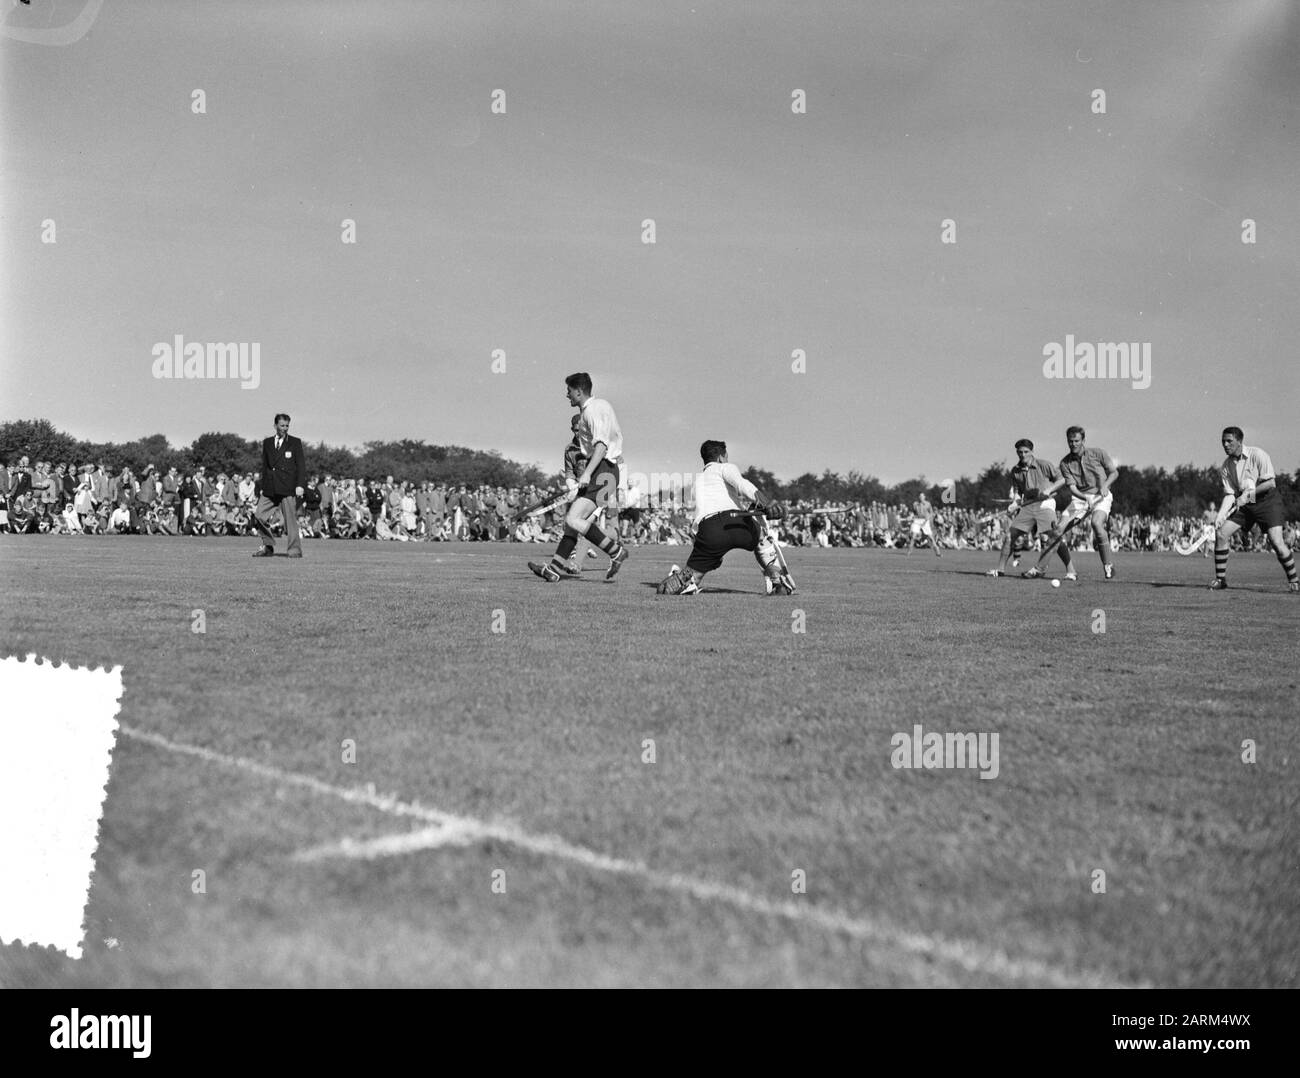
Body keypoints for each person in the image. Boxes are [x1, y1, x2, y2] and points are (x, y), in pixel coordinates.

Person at [528, 373, 629, 582]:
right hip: (602, 470)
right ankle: (554, 569)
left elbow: (601, 446)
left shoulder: (593, 409)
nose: (567, 395)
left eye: (569, 391)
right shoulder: (589, 411)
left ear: (578, 391)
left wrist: (587, 473)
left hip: (604, 469)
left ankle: (616, 552)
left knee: (574, 519)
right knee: (571, 524)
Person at [656, 440, 790, 595]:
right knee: (761, 536)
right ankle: (776, 579)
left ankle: (685, 579)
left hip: (709, 531)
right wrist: (766, 505)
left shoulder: (698, 482)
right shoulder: (725, 467)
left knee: (694, 576)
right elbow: (742, 484)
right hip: (737, 523)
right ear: (721, 457)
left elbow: (697, 521)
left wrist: (711, 556)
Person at [1209, 427, 1298, 592]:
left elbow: (1270, 483)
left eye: (1229, 441)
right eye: (1223, 441)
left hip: (1267, 501)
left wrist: (1247, 495)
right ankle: (1220, 580)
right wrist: (1220, 515)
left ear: (1240, 441)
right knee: (1221, 533)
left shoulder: (1258, 455)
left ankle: (1294, 581)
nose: (1225, 445)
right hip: (1246, 504)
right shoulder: (1226, 466)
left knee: (1276, 542)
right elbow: (1229, 495)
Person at [1026, 426, 1118, 579]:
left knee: (1096, 523)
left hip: (1101, 497)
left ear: (1083, 440)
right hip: (1080, 499)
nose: (1073, 444)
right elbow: (1072, 488)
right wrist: (1084, 498)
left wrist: (1105, 485)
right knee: (1057, 531)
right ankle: (1040, 569)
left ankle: (1108, 565)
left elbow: (1114, 473)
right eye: (1070, 441)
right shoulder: (1065, 463)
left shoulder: (1098, 453)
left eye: (1076, 441)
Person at [987, 438, 1071, 578]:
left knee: (1054, 536)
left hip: (1045, 504)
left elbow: (1062, 479)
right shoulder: (1015, 471)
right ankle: (1000, 570)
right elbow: (1018, 492)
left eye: (1026, 452)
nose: (1023, 455)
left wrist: (1049, 489)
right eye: (1020, 452)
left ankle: (1070, 571)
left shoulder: (1044, 465)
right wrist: (1014, 503)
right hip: (1028, 506)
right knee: (1010, 536)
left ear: (1032, 451)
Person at [251, 413, 307, 558]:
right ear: (275, 426)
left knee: (290, 522)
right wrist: (262, 486)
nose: (285, 428)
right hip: (270, 487)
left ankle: (294, 551)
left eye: (287, 426)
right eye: (282, 425)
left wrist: (300, 485)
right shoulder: (267, 442)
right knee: (259, 516)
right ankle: (268, 546)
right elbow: (265, 466)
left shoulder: (295, 442)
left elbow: (301, 466)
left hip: (287, 487)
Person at [904, 491, 942, 557]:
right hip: (917, 521)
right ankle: (909, 552)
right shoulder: (915, 504)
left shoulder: (928, 504)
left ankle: (937, 552)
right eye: (920, 496)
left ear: (924, 497)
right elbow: (913, 513)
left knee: (930, 537)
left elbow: (931, 513)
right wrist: (910, 517)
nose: (921, 497)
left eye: (922, 496)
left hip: (925, 521)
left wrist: (928, 517)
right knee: (913, 536)